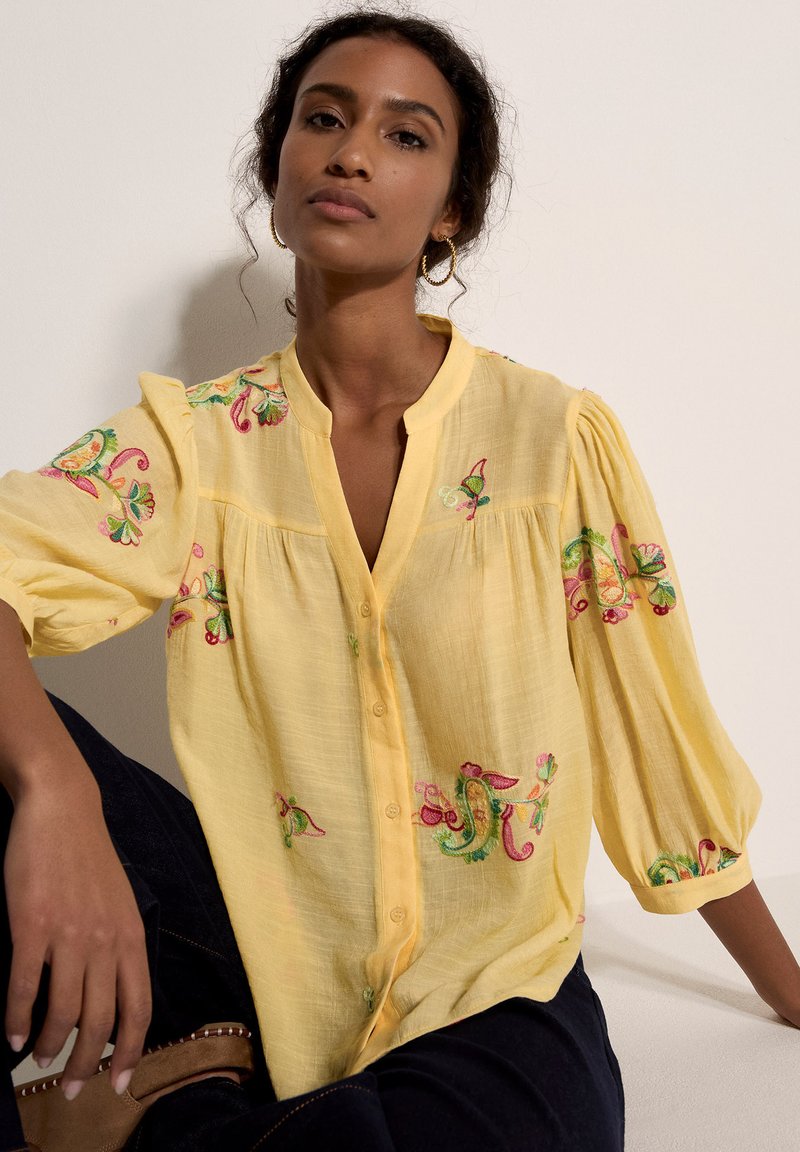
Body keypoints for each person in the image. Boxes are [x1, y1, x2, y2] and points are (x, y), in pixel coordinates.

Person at [1, 8, 798, 1151]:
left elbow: (657, 750)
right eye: (322, 120)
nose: (352, 153)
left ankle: (171, 1117)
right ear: (277, 172)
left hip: (492, 995)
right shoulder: (195, 445)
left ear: (451, 212)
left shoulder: (550, 441)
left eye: (404, 134)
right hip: (244, 971)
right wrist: (54, 791)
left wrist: (788, 990)